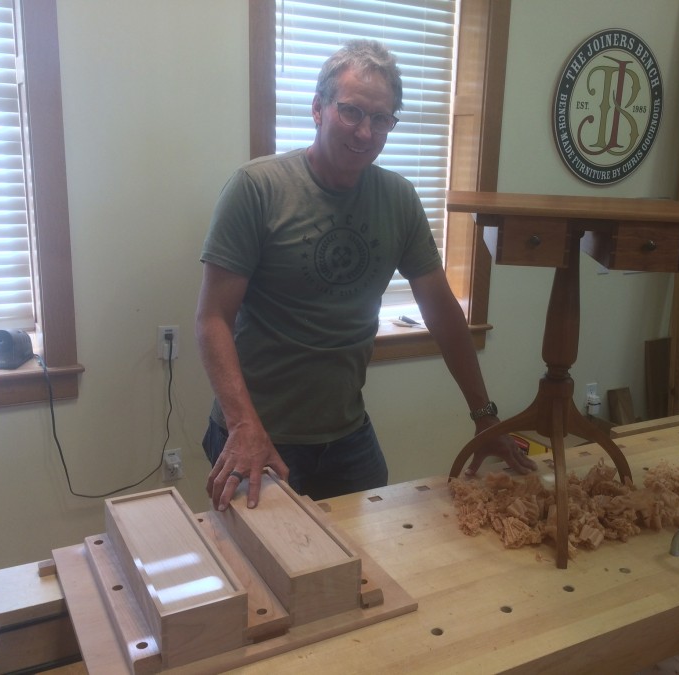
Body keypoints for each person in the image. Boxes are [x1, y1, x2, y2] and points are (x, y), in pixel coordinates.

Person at [196, 39, 536, 512]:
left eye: (382, 119)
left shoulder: (398, 198)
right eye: (352, 112)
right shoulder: (257, 189)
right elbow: (211, 319)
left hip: (347, 437)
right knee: (263, 573)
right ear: (318, 109)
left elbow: (440, 311)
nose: (365, 131)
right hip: (259, 434)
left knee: (361, 567)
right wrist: (242, 426)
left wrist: (484, 416)